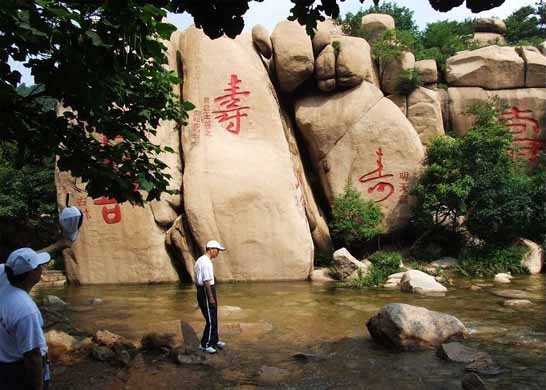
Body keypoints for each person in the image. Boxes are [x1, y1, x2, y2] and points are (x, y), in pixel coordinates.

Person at [0, 248, 51, 390]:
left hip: (4, 364)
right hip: (19, 371)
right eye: (39, 266)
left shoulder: (3, 281)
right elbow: (33, 356)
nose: (42, 268)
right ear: (32, 274)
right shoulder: (26, 310)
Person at [194, 240, 226, 354]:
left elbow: (196, 280)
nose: (218, 253)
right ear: (211, 249)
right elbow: (206, 281)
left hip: (205, 290)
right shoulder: (205, 262)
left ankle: (214, 340)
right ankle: (205, 344)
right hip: (206, 291)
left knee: (213, 317)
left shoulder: (201, 260)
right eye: (217, 250)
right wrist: (210, 297)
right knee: (210, 320)